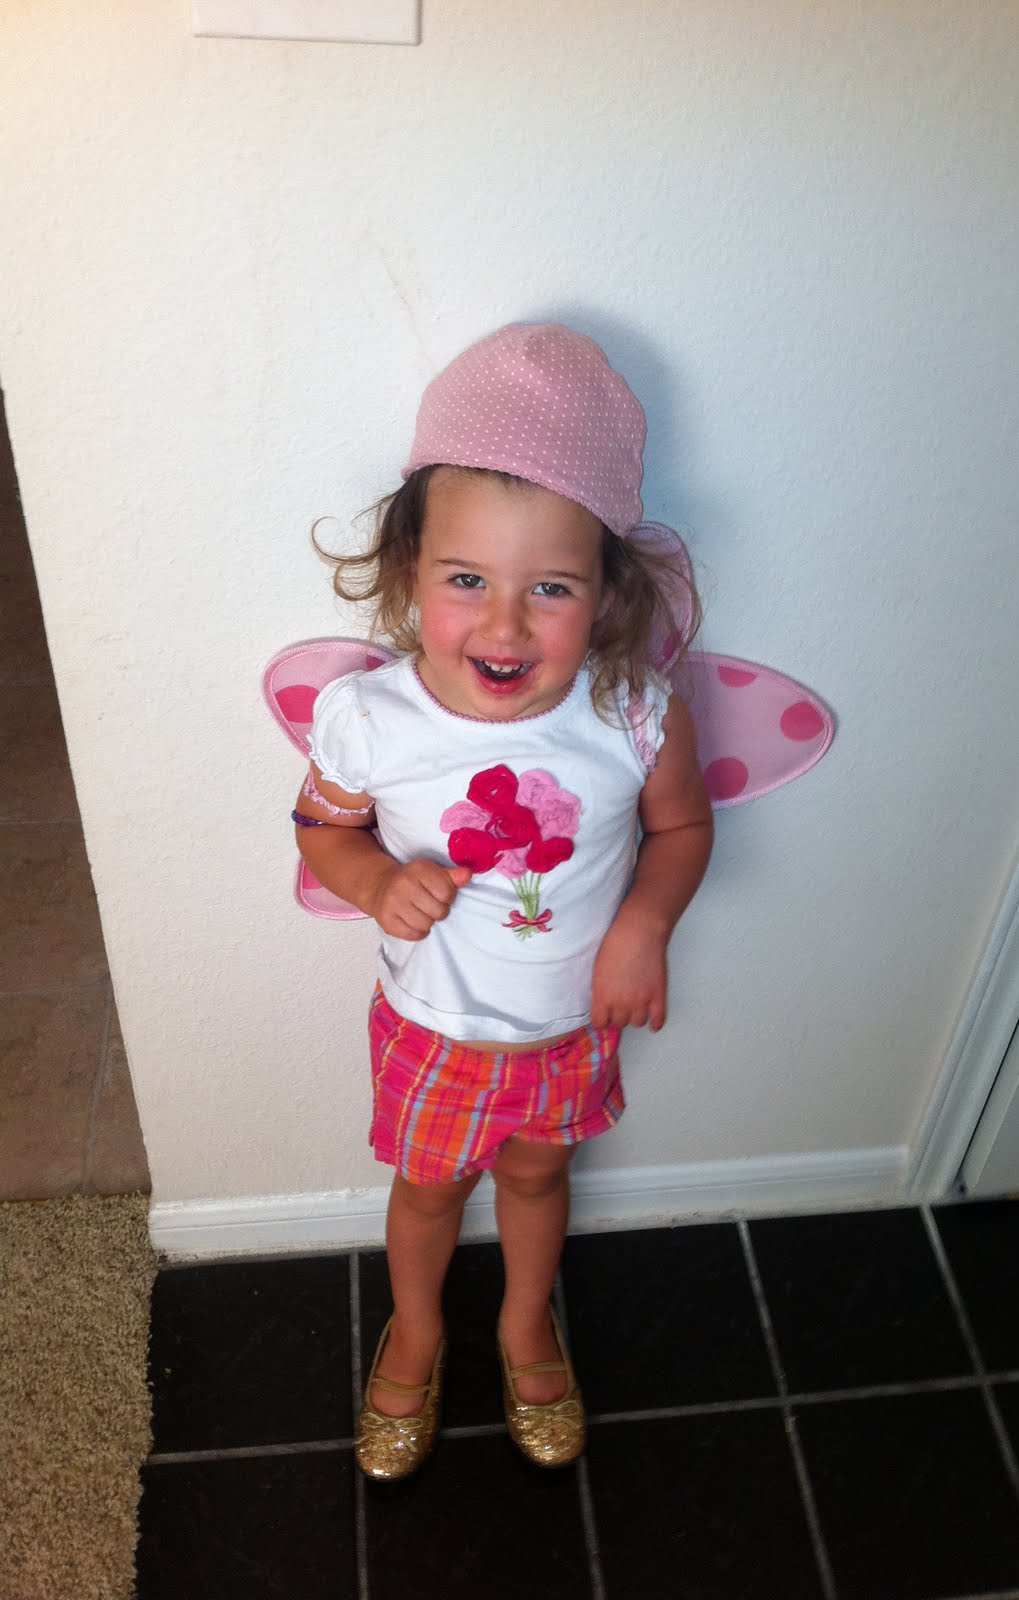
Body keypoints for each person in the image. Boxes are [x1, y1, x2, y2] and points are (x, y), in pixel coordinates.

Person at [294, 322, 713, 1481]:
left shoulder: (634, 713)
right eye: (467, 579)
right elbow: (322, 826)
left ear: (607, 592)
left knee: (535, 1174)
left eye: (551, 588)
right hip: (433, 1027)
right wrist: (376, 880)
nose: (505, 624)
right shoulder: (372, 718)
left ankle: (526, 1321)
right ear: (409, 570)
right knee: (429, 1190)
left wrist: (644, 923)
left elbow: (683, 827)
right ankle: (416, 1328)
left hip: (569, 1029)